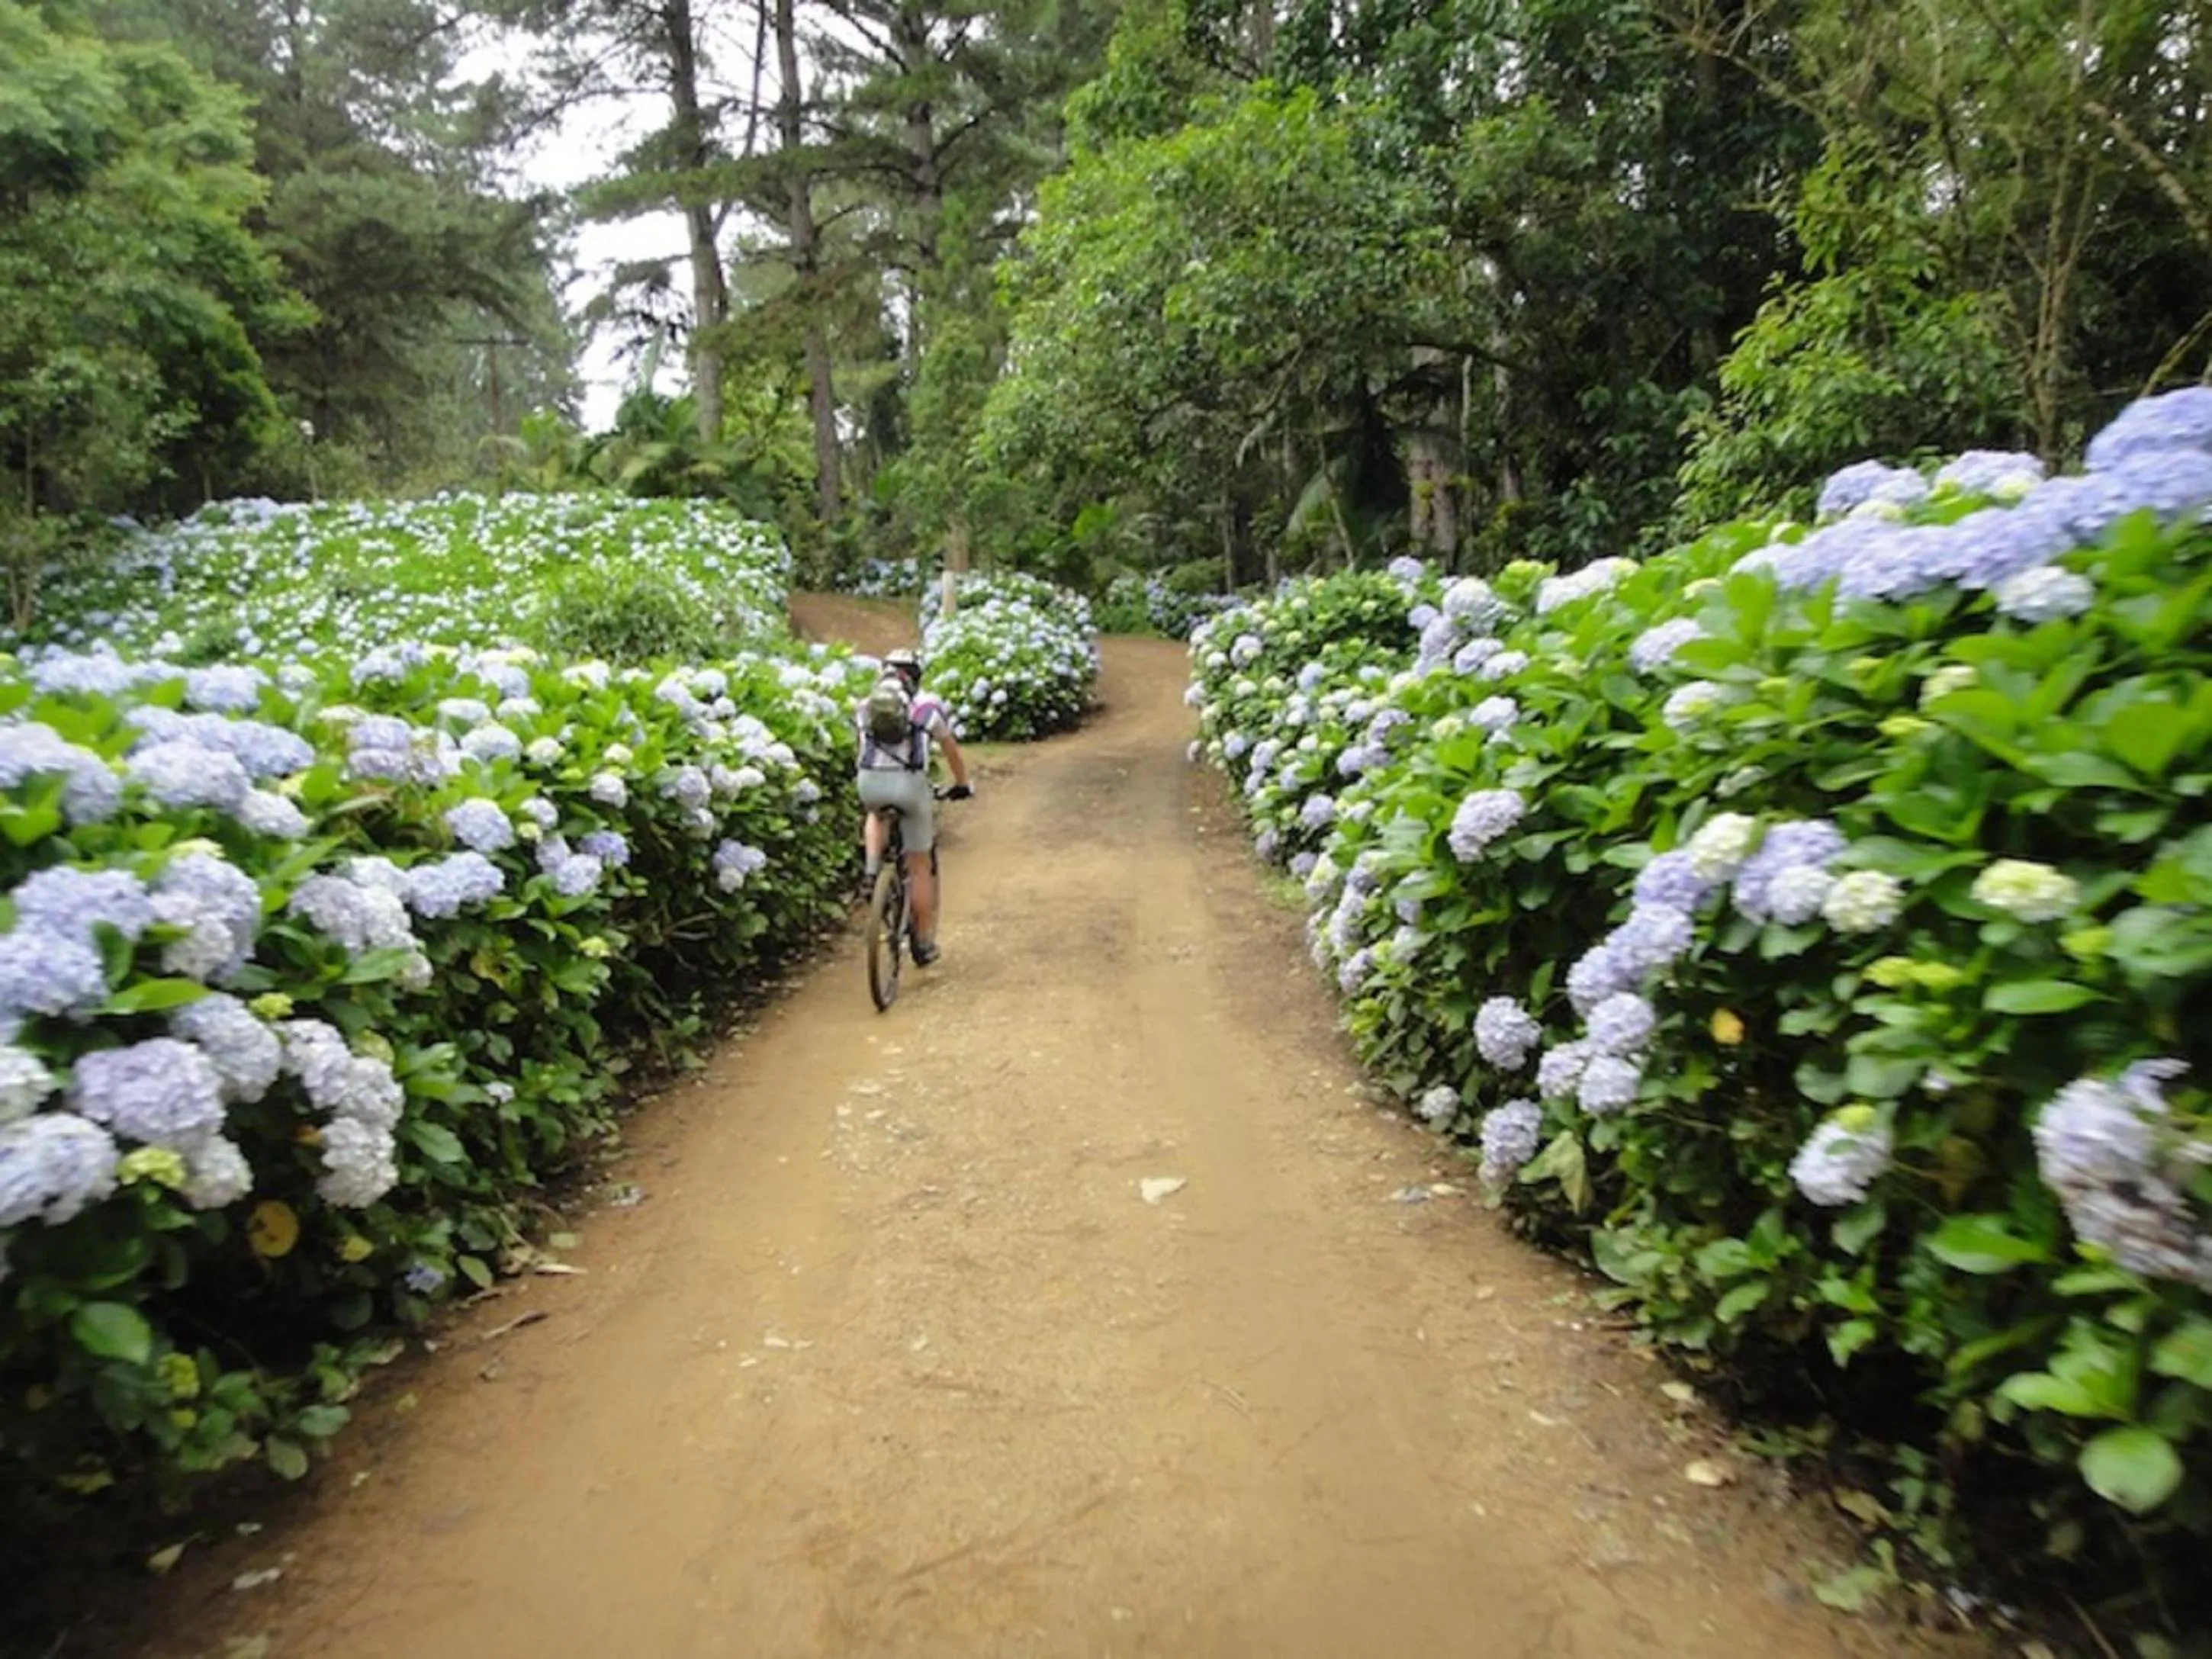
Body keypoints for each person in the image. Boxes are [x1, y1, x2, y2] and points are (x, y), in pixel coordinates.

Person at [855, 647, 971, 966]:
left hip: (870, 783)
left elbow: (861, 747)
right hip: (910, 785)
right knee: (920, 865)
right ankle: (922, 943)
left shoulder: (864, 706)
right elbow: (952, 751)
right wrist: (962, 784)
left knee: (875, 812)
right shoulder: (928, 707)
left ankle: (871, 869)